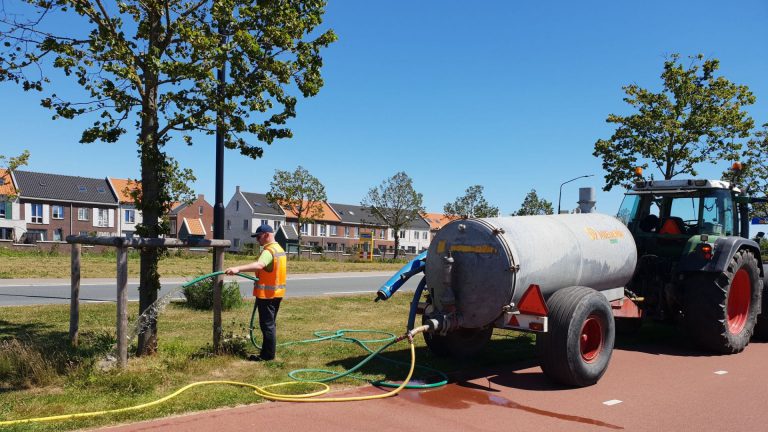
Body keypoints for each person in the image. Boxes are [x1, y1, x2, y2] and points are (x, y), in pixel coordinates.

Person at [224, 224, 286, 361]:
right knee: (270, 324)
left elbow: (259, 265)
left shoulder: (269, 251)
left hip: (267, 296)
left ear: (266, 235)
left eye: (258, 237)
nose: (257, 240)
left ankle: (267, 356)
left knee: (267, 326)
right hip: (277, 294)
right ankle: (267, 352)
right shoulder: (279, 249)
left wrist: (237, 268)